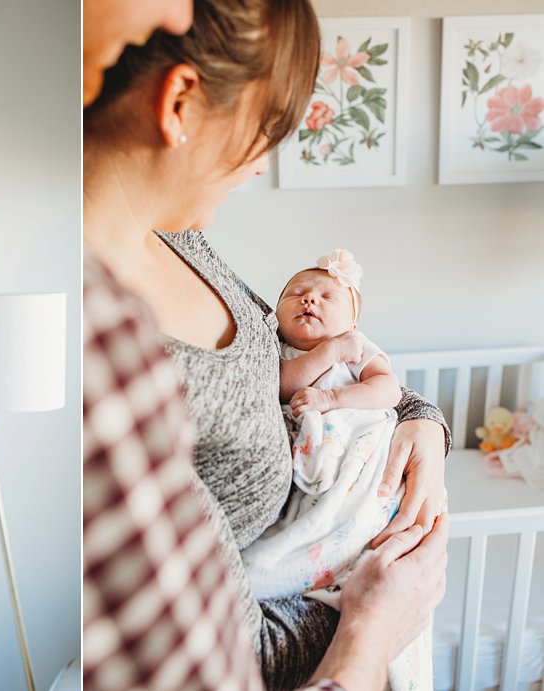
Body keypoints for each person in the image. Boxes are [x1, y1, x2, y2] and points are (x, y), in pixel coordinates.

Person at [80, 0, 449, 689]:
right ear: (182, 102)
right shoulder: (110, 356)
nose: (259, 168)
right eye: (267, 130)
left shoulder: (179, 237)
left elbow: (302, 350)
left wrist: (421, 422)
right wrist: (377, 622)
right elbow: (231, 662)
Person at [244, 250, 432, 691]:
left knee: (370, 499)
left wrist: (333, 400)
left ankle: (353, 553)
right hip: (310, 447)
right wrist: (328, 351)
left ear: (352, 319)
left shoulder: (360, 346)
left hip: (357, 436)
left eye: (327, 296)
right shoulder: (277, 351)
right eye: (296, 294)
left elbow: (386, 390)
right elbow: (285, 385)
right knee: (307, 513)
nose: (309, 300)